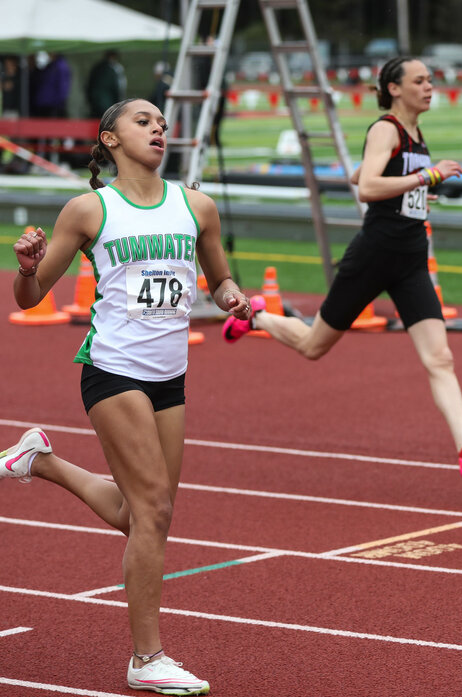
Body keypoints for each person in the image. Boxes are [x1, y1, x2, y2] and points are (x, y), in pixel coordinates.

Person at [3, 97, 252, 695]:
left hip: (171, 375)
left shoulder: (197, 205)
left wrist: (232, 296)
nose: (158, 129)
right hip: (112, 370)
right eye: (144, 122)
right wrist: (26, 266)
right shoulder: (89, 209)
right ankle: (147, 658)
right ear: (110, 139)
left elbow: (219, 279)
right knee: (156, 512)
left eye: (163, 124)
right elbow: (29, 298)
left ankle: (41, 460)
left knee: (140, 515)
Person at [221, 56, 462, 481]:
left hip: (411, 260)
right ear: (394, 88)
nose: (430, 86)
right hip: (375, 255)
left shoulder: (414, 134)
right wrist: (424, 178)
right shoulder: (385, 128)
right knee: (312, 347)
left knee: (441, 358)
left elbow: (367, 170)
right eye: (420, 80)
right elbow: (367, 184)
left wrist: (413, 193)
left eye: (432, 79)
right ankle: (256, 316)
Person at [86, 49, 126, 118]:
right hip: (106, 102)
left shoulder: (97, 67)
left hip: (96, 101)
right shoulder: (111, 69)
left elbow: (89, 85)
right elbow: (115, 87)